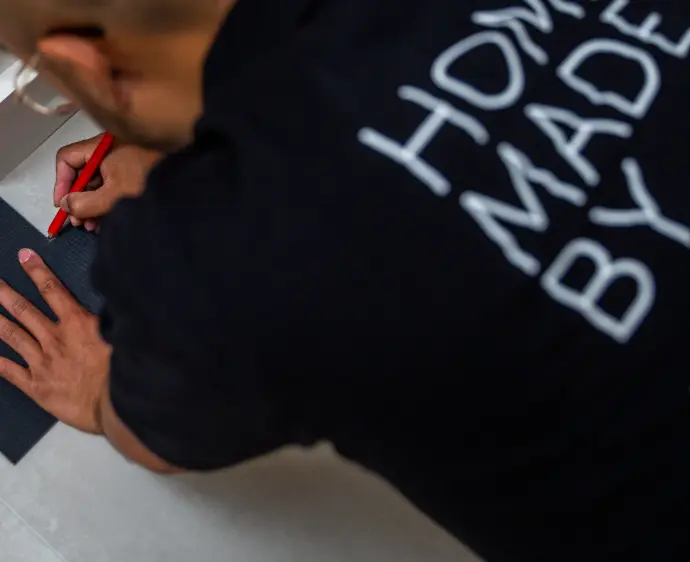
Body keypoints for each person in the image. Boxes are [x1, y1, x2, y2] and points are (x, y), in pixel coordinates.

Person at [0, 0, 687, 560]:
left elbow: (156, 437)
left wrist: (100, 392)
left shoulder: (211, 258)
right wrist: (197, 131)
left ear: (83, 65)